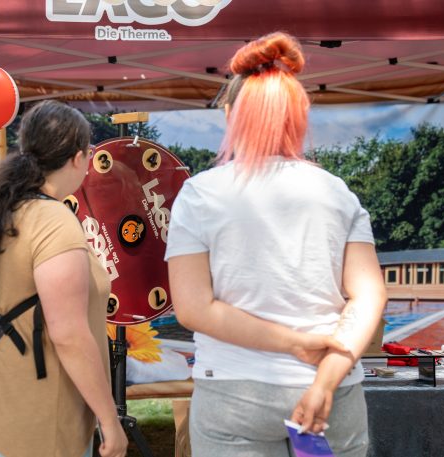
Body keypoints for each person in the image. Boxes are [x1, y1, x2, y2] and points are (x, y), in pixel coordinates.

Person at [164, 32, 387, 457]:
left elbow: (194, 309)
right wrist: (325, 378)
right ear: (297, 116)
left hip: (233, 391)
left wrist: (291, 344)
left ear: (232, 114)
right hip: (332, 388)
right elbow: (370, 294)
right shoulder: (336, 192)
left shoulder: (200, 194)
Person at [0, 100, 127, 457]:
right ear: (79, 157)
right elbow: (69, 336)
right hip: (31, 421)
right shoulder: (52, 220)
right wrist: (109, 419)